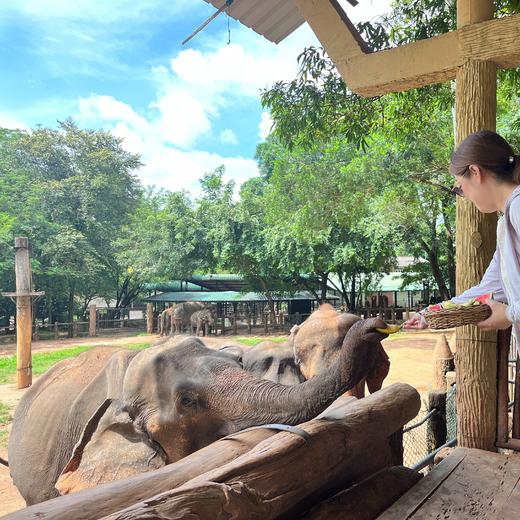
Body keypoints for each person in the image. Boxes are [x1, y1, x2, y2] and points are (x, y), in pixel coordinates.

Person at [404, 130, 520, 342]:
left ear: (475, 172)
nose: (464, 196)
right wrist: (431, 314)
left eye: (460, 187)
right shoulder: (506, 222)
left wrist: (508, 314)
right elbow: (488, 289)